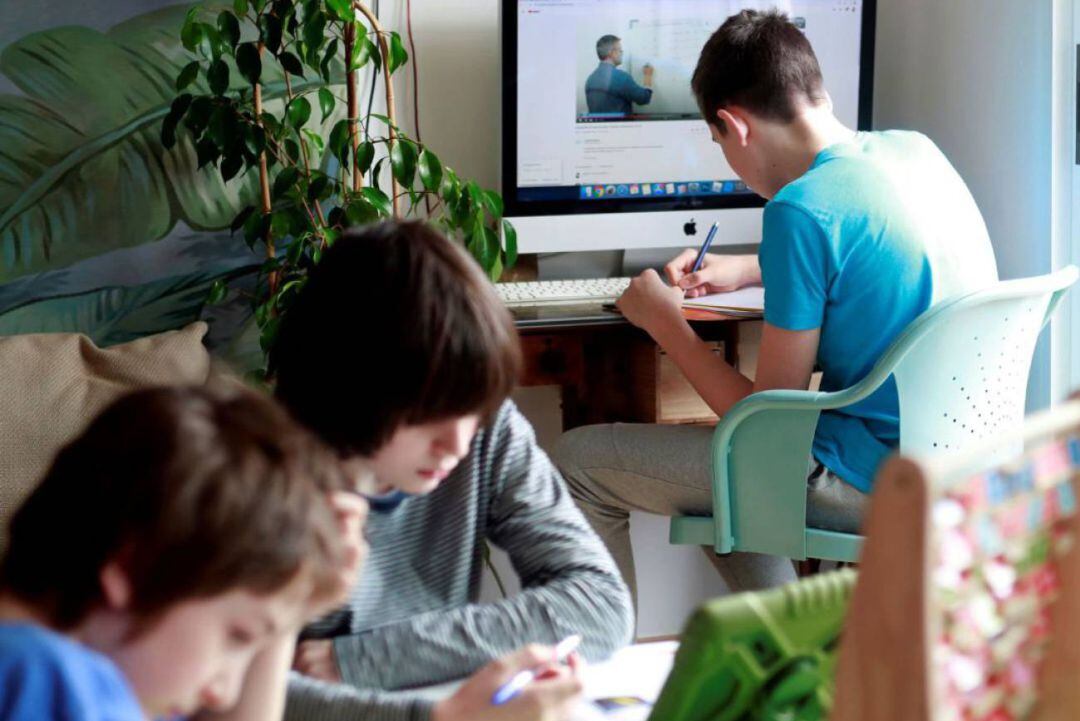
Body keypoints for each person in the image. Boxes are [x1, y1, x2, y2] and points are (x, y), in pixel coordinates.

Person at [553, 9, 999, 603]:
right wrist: (748, 267)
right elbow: (876, 247)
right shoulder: (914, 153)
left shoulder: (798, 209)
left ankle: (600, 676)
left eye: (718, 145)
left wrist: (666, 324)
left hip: (867, 481)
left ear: (734, 127)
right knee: (716, 474)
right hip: (960, 468)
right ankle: (780, 661)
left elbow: (762, 428)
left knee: (578, 462)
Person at [271, 221, 632, 720]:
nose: (458, 445)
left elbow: (599, 606)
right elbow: (233, 694)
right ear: (353, 389)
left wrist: (364, 659)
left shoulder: (485, 428)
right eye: (429, 415)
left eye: (474, 412)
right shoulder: (257, 481)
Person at [0, 385, 359, 721]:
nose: (224, 694)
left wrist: (291, 605)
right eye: (238, 636)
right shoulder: (45, 677)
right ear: (136, 567)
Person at [585, 34, 653, 115]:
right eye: (620, 50)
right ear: (612, 53)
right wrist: (648, 76)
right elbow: (644, 99)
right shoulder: (622, 78)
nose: (621, 53)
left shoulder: (590, 79)